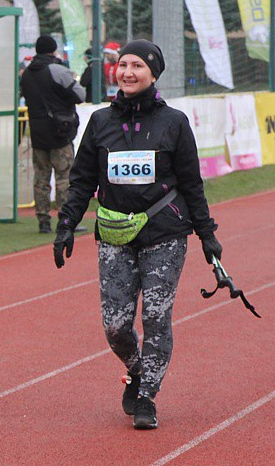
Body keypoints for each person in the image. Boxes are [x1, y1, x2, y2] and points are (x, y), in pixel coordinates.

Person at [53, 40, 223, 430]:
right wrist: (66, 225)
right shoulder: (100, 122)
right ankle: (137, 368)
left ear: (153, 74)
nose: (127, 72)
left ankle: (147, 396)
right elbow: (81, 182)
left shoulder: (174, 122)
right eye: (123, 65)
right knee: (115, 325)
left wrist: (207, 235)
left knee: (156, 319)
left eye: (137, 66)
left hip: (165, 235)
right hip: (114, 236)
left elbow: (192, 184)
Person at [19, 34, 86, 234]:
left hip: (38, 134)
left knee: (41, 178)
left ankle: (43, 221)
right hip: (60, 133)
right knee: (64, 177)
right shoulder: (58, 70)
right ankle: (65, 221)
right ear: (53, 49)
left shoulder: (27, 73)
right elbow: (81, 95)